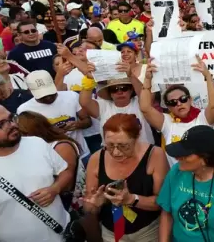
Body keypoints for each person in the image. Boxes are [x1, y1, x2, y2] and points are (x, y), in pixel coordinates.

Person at [0, 101, 75, 242]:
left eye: (11, 118)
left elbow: (65, 171)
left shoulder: (37, 143)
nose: (12, 125)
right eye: (1, 125)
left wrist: (55, 188)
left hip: (64, 234)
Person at [83, 113, 168, 242]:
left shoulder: (155, 155)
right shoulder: (96, 158)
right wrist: (95, 205)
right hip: (112, 232)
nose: (116, 152)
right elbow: (89, 207)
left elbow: (163, 202)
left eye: (123, 146)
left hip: (147, 230)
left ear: (137, 137)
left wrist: (132, 199)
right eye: (109, 145)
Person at [139, 55, 214, 164]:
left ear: (190, 100)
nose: (179, 104)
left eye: (183, 99)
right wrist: (147, 79)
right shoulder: (166, 122)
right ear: (168, 107)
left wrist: (208, 76)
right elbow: (145, 108)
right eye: (173, 102)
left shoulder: (202, 118)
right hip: (179, 176)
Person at [16, 111, 86, 212]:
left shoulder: (61, 146)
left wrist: (52, 189)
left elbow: (67, 179)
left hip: (66, 201)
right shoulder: (30, 148)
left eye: (23, 133)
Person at [18, 70, 92, 156]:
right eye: (43, 96)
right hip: (52, 159)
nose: (48, 97)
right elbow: (29, 140)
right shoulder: (24, 110)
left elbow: (88, 121)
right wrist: (51, 133)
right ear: (30, 91)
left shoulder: (71, 96)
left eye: (50, 93)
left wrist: (78, 125)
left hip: (81, 153)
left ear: (53, 83)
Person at [79, 66, 153, 144]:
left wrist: (131, 75)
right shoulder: (104, 106)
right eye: (114, 89)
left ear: (131, 90)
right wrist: (89, 78)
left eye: (124, 88)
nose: (120, 92)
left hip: (143, 152)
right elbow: (84, 102)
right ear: (109, 93)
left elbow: (144, 92)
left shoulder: (140, 103)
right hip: (113, 153)